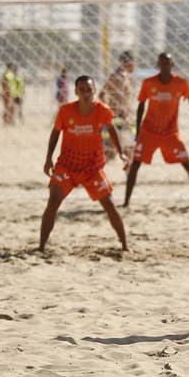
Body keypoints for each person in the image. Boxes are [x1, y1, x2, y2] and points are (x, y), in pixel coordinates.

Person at [39, 75, 129, 252]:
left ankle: (125, 246)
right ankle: (41, 247)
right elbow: (55, 133)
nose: (86, 93)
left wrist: (121, 153)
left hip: (92, 168)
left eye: (89, 90)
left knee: (110, 205)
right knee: (53, 203)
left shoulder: (102, 110)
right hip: (67, 166)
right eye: (82, 90)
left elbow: (112, 130)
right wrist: (48, 158)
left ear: (94, 90)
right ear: (76, 91)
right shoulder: (66, 111)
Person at [123, 52, 189, 207]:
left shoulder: (181, 83)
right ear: (158, 65)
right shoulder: (149, 83)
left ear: (172, 65)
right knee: (135, 165)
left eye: (167, 63)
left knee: (187, 164)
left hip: (170, 133)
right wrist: (137, 129)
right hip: (149, 132)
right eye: (162, 63)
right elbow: (141, 105)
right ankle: (126, 202)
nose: (165, 66)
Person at [99, 51, 135, 161]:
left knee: (124, 147)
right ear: (129, 63)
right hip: (118, 115)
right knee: (120, 148)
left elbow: (102, 94)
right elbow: (103, 95)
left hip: (121, 115)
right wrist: (111, 110)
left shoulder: (123, 76)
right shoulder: (119, 77)